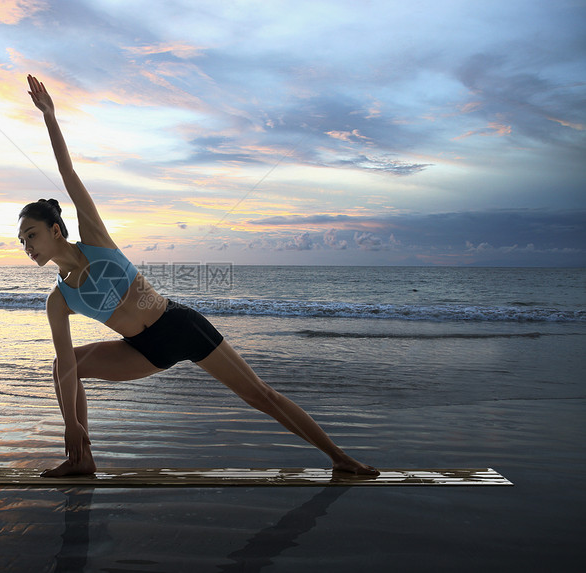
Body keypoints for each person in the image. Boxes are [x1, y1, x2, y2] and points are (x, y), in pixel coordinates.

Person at [20, 74, 379, 478]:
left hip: (179, 325)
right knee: (63, 366)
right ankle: (81, 458)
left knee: (259, 395)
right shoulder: (59, 299)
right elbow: (67, 366)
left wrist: (50, 116)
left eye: (31, 234)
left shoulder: (95, 239)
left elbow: (67, 173)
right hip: (140, 350)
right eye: (21, 241)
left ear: (54, 230)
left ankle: (340, 458)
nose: (27, 245)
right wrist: (71, 422)